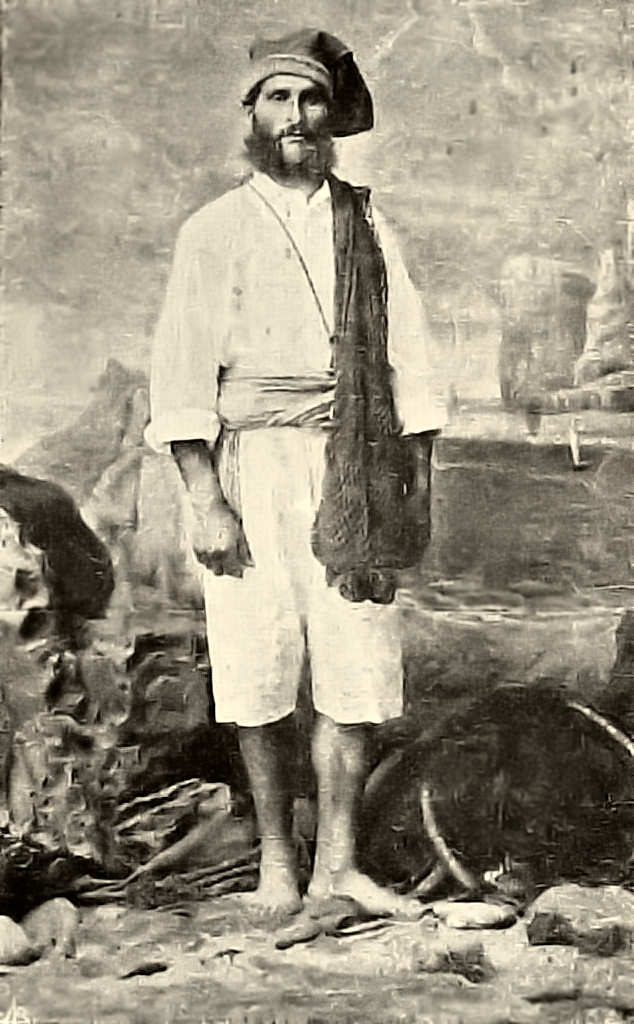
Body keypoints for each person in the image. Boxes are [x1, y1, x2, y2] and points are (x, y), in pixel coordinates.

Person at [147, 28, 445, 919]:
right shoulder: (214, 230)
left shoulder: (369, 225)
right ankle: (278, 861)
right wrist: (206, 502)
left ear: (333, 116)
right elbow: (182, 374)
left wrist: (417, 485)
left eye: (312, 99)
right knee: (256, 669)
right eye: (278, 98)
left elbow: (412, 366)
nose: (297, 117)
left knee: (356, 669)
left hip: (356, 465)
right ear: (252, 114)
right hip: (251, 471)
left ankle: (338, 865)